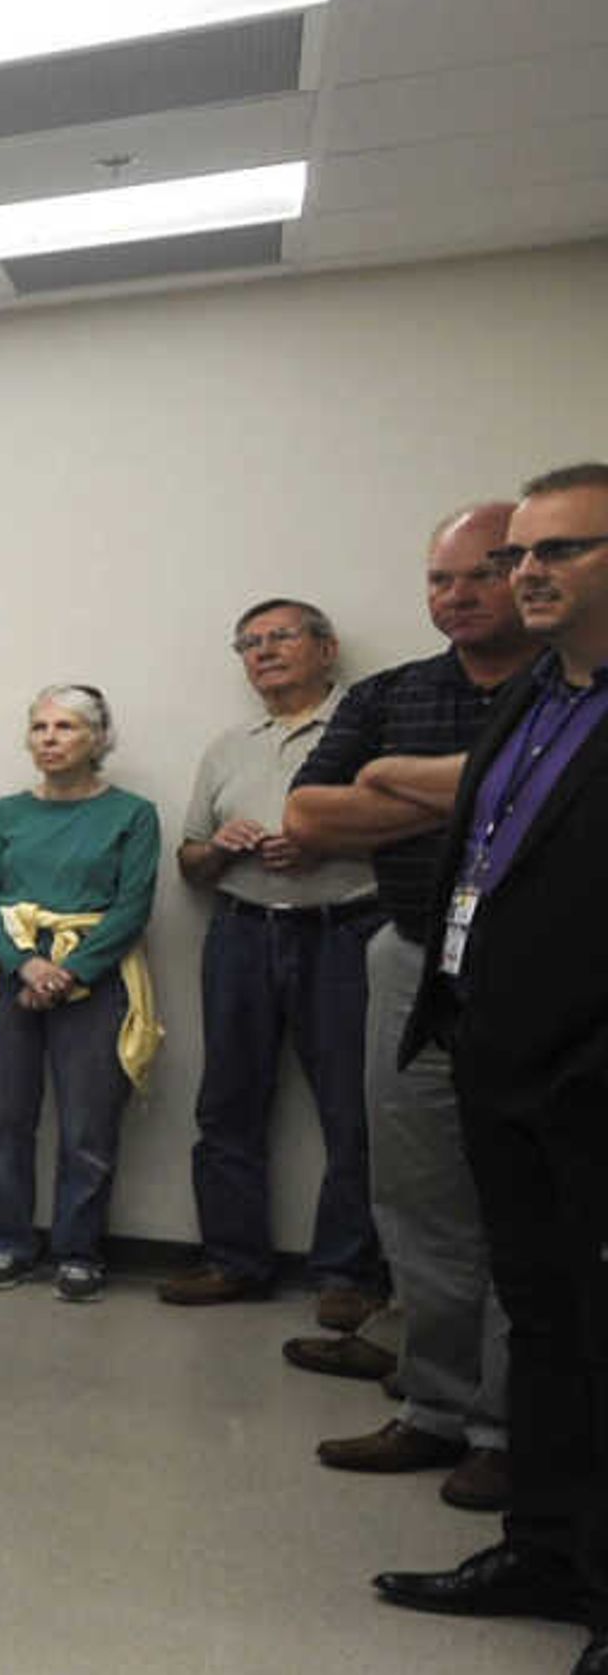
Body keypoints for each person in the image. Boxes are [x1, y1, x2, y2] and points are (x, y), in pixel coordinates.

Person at [371, 461, 608, 1675]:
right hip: (496, 1045)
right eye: (522, 552)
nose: (529, 573)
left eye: (561, 550)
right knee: (550, 1321)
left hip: (590, 1067)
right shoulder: (532, 700)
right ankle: (549, 1547)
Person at [278, 507, 530, 1509]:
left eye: (481, 573)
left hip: (540, 972)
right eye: (438, 579)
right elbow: (309, 813)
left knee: (524, 1202)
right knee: (419, 1197)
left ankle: (509, 1428)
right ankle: (432, 1406)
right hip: (414, 955)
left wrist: (396, 789)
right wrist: (488, 793)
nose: (456, 595)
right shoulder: (393, 693)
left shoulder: (568, 692)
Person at [161, 598, 385, 1320]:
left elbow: (417, 834)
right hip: (242, 932)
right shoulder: (229, 746)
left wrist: (329, 843)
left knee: (354, 1109)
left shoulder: (372, 727)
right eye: (248, 643)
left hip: (345, 933)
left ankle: (348, 1276)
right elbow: (190, 861)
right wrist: (218, 849)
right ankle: (233, 1260)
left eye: (280, 636)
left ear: (327, 647)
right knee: (226, 1102)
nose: (263, 652)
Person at [0, 685, 163, 1302]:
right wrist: (26, 965)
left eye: (65, 727)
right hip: (9, 975)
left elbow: (133, 905)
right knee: (4, 1121)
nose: (49, 738)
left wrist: (71, 972)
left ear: (98, 738)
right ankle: (9, 1245)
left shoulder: (133, 814)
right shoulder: (5, 813)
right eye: (39, 726)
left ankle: (78, 1252)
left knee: (88, 1127)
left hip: (93, 980)